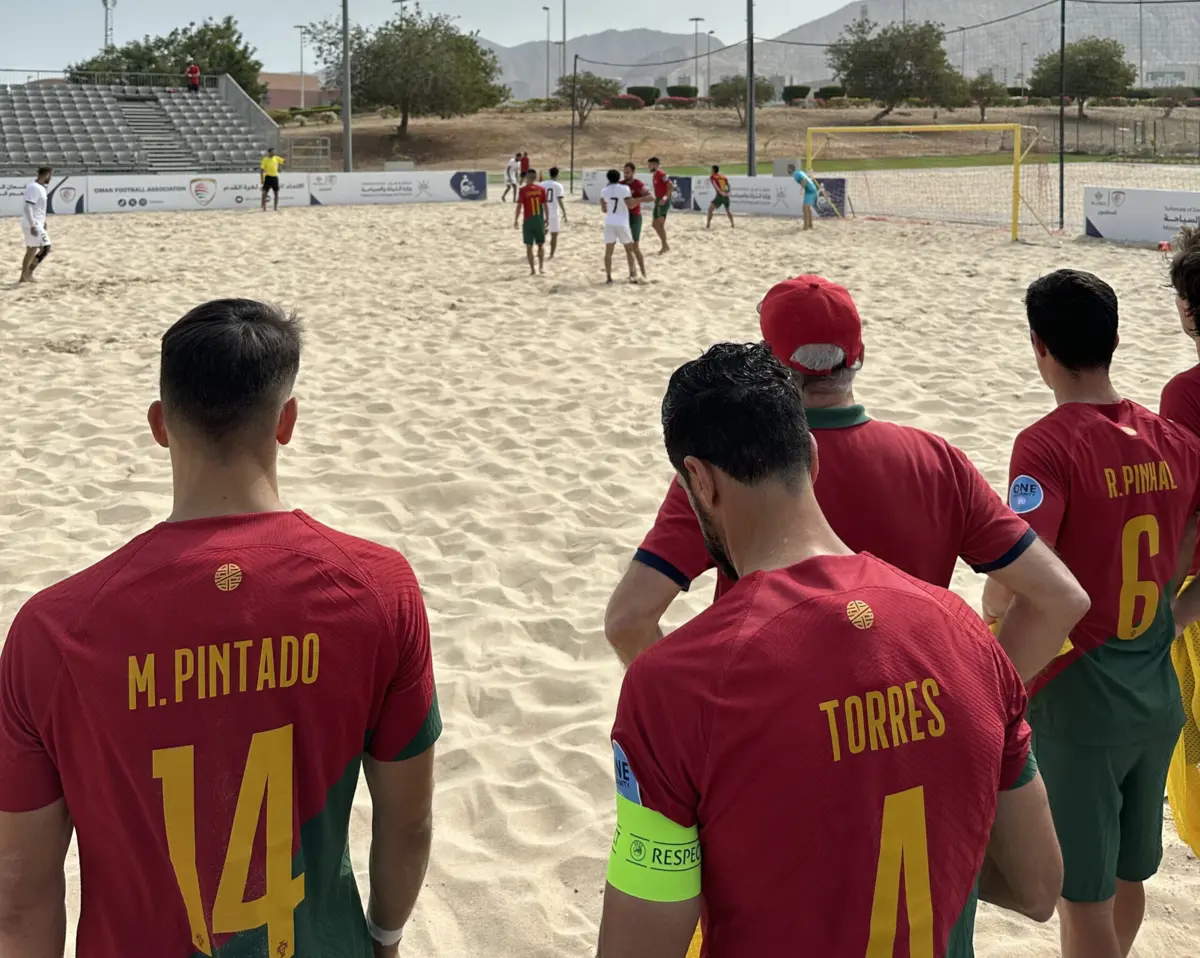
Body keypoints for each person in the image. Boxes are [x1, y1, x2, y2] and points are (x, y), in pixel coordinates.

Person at [0, 299, 441, 957]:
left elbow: (21, 896)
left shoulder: (54, 629)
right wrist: (385, 937)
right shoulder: (379, 590)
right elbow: (407, 824)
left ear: (159, 426)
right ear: (286, 421)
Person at [597, 342, 1063, 958]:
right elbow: (1038, 887)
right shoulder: (966, 635)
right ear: (811, 457)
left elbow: (639, 945)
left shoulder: (674, 684)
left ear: (700, 482)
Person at [606, 275, 1089, 687]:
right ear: (858, 355)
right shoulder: (937, 460)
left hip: (777, 732)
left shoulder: (728, 467)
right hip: (912, 729)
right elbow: (1060, 598)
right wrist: (980, 696)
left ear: (768, 367)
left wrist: (697, 718)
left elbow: (629, 620)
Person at [982, 269, 1200, 958]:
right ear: (1115, 339)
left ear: (1038, 348)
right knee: (1127, 873)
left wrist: (992, 614)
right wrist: (1179, 613)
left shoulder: (1046, 444)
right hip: (1156, 692)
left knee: (1083, 901)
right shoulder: (1176, 441)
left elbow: (1024, 573)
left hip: (1080, 700)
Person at [600, 168, 640, 285]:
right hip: (622, 221)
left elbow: (603, 208)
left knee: (608, 252)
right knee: (629, 249)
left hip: (609, 222)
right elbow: (629, 204)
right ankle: (632, 274)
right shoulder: (625, 188)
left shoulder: (604, 191)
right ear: (619, 178)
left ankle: (608, 277)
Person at [18, 165, 52, 284]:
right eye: (50, 175)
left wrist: (43, 221)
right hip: (32, 223)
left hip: (36, 222)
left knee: (31, 250)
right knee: (46, 248)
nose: (50, 178)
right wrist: (33, 225)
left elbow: (38, 208)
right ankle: (28, 273)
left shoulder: (40, 187)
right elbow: (28, 207)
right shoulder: (34, 187)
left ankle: (24, 276)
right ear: (47, 174)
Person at [620, 163, 652, 277]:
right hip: (623, 218)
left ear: (633, 172)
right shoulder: (621, 184)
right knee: (627, 247)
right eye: (624, 172)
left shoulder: (638, 184)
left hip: (635, 217)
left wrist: (636, 200)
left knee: (635, 247)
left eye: (628, 172)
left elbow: (651, 197)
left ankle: (643, 273)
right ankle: (632, 273)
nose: (625, 175)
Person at [514, 168, 548, 276]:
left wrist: (515, 219)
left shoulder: (523, 190)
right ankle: (541, 267)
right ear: (535, 177)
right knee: (540, 244)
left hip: (528, 220)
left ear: (527, 178)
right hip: (539, 220)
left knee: (529, 246)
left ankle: (533, 269)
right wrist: (547, 218)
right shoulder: (541, 189)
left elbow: (519, 206)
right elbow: (545, 205)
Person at [540, 166, 567, 259]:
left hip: (543, 212)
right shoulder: (558, 185)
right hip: (554, 213)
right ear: (557, 174)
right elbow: (560, 200)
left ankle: (540, 251)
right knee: (554, 234)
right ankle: (551, 254)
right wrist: (564, 212)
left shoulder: (541, 184)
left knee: (543, 233)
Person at [647, 156, 671, 254]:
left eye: (650, 165)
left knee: (659, 224)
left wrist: (664, 199)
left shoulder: (662, 174)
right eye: (648, 165)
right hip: (658, 201)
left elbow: (671, 187)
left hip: (663, 202)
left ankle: (664, 246)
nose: (648, 167)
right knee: (654, 224)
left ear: (656, 165)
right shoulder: (655, 175)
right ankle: (665, 245)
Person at [706, 164, 733, 230]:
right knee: (728, 210)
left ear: (713, 170)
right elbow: (728, 185)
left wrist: (720, 192)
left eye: (711, 169)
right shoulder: (723, 176)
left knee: (710, 209)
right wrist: (728, 192)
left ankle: (708, 225)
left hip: (720, 196)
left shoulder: (713, 177)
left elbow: (715, 186)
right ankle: (732, 224)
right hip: (726, 195)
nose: (710, 170)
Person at [792, 165, 819, 231]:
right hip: (812, 190)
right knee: (807, 208)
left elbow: (803, 180)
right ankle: (810, 225)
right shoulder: (800, 172)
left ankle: (805, 227)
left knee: (805, 209)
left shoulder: (796, 174)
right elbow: (806, 179)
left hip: (810, 191)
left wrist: (802, 189)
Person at [260, 147, 285, 212]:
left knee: (276, 193)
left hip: (275, 177)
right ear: (269, 152)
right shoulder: (265, 159)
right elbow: (262, 170)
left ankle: (275, 207)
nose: (274, 153)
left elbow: (284, 161)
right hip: (268, 177)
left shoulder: (276, 158)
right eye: (272, 152)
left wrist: (281, 168)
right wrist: (262, 179)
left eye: (274, 152)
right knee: (265, 193)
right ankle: (264, 207)